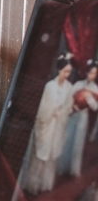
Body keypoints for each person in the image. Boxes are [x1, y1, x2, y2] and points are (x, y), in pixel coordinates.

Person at [23, 55, 77, 194]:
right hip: (47, 124)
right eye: (65, 71)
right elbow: (43, 108)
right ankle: (33, 186)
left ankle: (45, 185)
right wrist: (52, 111)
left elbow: (68, 107)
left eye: (69, 72)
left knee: (51, 157)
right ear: (59, 70)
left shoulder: (69, 88)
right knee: (41, 155)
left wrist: (62, 112)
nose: (67, 74)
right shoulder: (50, 86)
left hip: (58, 125)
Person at [61, 62, 98, 177]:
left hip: (83, 117)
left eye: (95, 74)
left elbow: (95, 107)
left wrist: (89, 99)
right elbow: (69, 98)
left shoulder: (95, 89)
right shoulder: (78, 84)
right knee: (67, 139)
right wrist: (72, 107)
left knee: (78, 142)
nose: (92, 75)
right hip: (73, 115)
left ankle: (74, 170)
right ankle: (62, 166)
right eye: (91, 73)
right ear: (87, 72)